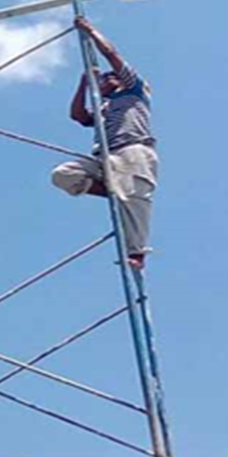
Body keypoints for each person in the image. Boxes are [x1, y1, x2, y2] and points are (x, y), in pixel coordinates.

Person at [51, 16, 159, 269]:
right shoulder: (104, 107)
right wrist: (84, 83)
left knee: (134, 198)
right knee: (62, 175)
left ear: (120, 81)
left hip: (133, 149)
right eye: (103, 79)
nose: (106, 79)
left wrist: (90, 31)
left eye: (111, 78)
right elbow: (77, 115)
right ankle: (112, 189)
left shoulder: (135, 91)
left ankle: (137, 253)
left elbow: (112, 54)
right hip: (104, 156)